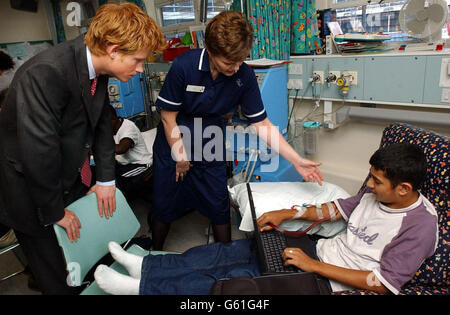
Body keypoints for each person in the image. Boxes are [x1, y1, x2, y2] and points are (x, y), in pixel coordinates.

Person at [94, 143, 438, 295]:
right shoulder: (372, 193)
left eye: (377, 181)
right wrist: (287, 214)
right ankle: (148, 268)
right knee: (227, 252)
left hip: (326, 283)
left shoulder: (419, 226)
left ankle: (140, 288)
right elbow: (335, 209)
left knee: (233, 281)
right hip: (316, 251)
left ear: (404, 188)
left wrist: (311, 266)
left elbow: (383, 284)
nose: (369, 185)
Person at [0, 3, 165, 294]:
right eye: (138, 60)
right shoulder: (45, 73)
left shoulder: (95, 70)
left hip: (68, 176)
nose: (141, 69)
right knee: (58, 275)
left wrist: (105, 179)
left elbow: (102, 125)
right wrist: (54, 211)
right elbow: (38, 152)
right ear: (113, 50)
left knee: (89, 259)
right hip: (32, 192)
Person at [151, 10, 323, 250]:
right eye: (229, 62)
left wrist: (295, 160)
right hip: (174, 135)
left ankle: (227, 255)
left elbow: (262, 124)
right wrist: (180, 155)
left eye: (241, 60)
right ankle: (154, 252)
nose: (235, 67)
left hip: (209, 136)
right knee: (164, 200)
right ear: (210, 51)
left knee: (218, 200)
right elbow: (167, 116)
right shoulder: (184, 65)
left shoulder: (244, 75)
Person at [110, 106, 152, 200]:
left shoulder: (128, 127)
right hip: (126, 163)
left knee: (114, 176)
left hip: (141, 164)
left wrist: (101, 146)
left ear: (112, 118)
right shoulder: (112, 128)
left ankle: (122, 201)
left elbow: (122, 148)